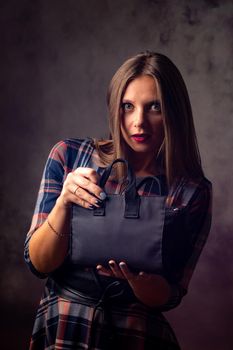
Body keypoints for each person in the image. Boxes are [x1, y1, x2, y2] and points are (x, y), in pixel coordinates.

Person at [24, 51, 212, 350]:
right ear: (115, 108)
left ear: (174, 112)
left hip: (137, 333)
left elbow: (173, 293)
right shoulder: (70, 156)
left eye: (155, 107)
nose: (139, 122)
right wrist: (63, 204)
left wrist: (141, 284)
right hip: (64, 322)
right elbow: (38, 264)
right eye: (127, 106)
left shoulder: (190, 190)